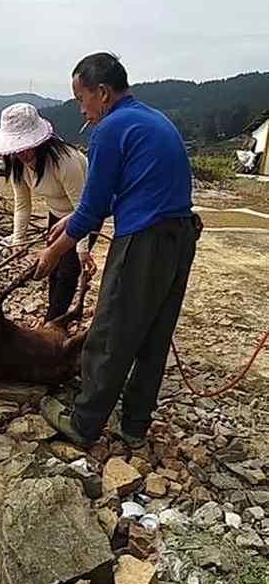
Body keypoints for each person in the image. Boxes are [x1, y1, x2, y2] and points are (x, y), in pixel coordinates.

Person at [35, 52, 197, 449]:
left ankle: (84, 423)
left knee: (111, 331)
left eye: (81, 98)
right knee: (154, 333)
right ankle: (135, 425)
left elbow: (91, 209)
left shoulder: (109, 129)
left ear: (102, 93)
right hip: (181, 236)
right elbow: (115, 193)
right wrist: (68, 223)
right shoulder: (152, 119)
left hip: (145, 240)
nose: (81, 108)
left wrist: (56, 252)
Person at [0, 102, 96, 321]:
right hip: (56, 214)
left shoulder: (66, 161)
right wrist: (19, 242)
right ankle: (54, 315)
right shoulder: (17, 163)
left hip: (83, 215)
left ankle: (52, 323)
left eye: (25, 145)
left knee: (68, 270)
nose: (21, 152)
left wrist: (82, 249)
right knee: (52, 266)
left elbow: (84, 207)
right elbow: (22, 205)